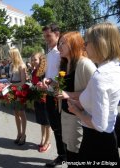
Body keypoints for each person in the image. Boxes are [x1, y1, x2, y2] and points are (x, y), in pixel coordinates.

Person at [68, 22, 120, 166]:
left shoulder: (101, 76)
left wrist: (76, 111)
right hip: (108, 141)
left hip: (96, 144)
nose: (84, 46)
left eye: (87, 43)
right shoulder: (114, 68)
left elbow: (99, 125)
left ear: (99, 44)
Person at [56, 31, 96, 164]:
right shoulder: (64, 64)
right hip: (66, 115)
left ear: (74, 44)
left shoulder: (85, 64)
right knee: (69, 152)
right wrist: (51, 83)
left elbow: (96, 92)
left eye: (63, 43)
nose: (59, 46)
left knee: (77, 155)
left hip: (79, 117)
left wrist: (69, 95)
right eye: (59, 43)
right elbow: (65, 89)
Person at [38, 23, 66, 167]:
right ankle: (62, 155)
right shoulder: (48, 52)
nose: (46, 39)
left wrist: (50, 81)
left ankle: (65, 155)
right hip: (49, 93)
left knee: (61, 127)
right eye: (44, 36)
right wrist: (44, 80)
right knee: (55, 126)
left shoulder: (61, 53)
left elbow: (64, 75)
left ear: (57, 34)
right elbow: (49, 74)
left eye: (48, 36)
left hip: (59, 96)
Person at [31, 52, 51, 152]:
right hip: (37, 98)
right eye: (32, 59)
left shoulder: (45, 71)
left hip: (45, 98)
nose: (33, 61)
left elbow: (47, 85)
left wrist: (41, 86)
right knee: (41, 121)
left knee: (47, 122)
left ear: (40, 60)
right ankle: (43, 138)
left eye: (35, 59)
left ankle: (48, 141)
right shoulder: (34, 72)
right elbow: (33, 84)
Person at [9, 48, 27, 145]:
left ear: (14, 55)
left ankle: (23, 134)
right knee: (15, 113)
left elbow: (23, 82)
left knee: (21, 113)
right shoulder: (12, 65)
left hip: (20, 90)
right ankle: (19, 133)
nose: (9, 57)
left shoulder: (22, 65)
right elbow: (11, 78)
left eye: (10, 55)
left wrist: (12, 85)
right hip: (12, 90)